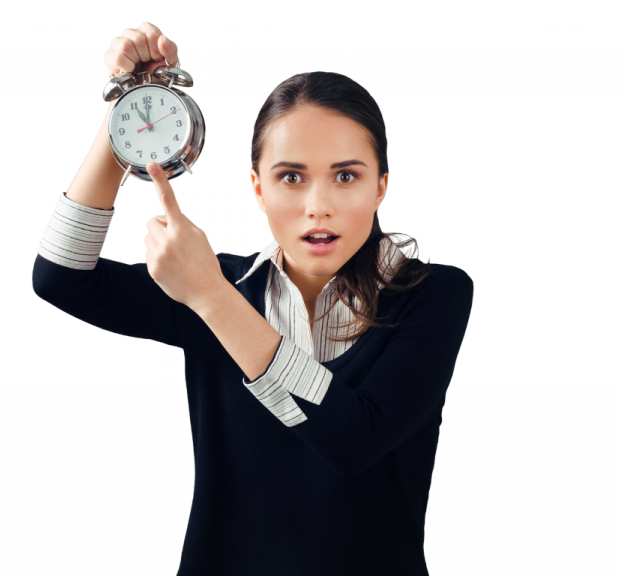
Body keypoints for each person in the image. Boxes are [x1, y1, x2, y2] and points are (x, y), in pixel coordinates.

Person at [32, 22, 474, 576]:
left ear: (381, 185)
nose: (319, 205)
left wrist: (213, 299)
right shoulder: (219, 284)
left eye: (345, 175)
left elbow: (355, 440)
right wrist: (130, 112)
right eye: (291, 177)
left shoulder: (432, 294)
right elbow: (59, 275)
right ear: (258, 187)